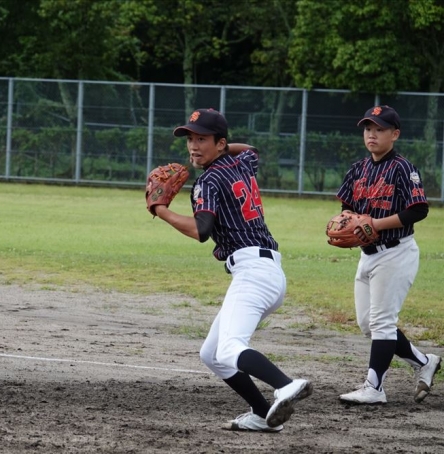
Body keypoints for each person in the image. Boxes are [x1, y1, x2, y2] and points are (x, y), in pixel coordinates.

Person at [153, 108, 312, 432]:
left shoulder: (208, 180)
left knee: (229, 348)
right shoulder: (240, 163)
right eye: (190, 139)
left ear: (220, 143)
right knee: (211, 354)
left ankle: (286, 384)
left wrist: (161, 210)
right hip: (266, 272)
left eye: (202, 139)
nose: (193, 146)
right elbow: (252, 150)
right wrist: (222, 149)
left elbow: (201, 230)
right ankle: (261, 413)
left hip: (254, 273)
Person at [335, 105, 441, 404]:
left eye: (379, 129)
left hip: (396, 253)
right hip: (367, 255)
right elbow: (347, 205)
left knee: (382, 322)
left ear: (394, 134)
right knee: (368, 324)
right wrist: (348, 221)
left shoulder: (403, 168)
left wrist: (375, 224)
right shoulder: (358, 168)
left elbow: (418, 210)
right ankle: (424, 362)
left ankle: (374, 387)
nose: (372, 134)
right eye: (368, 128)